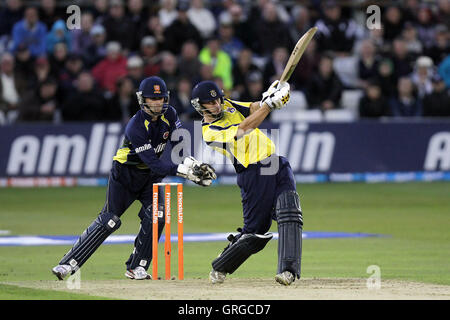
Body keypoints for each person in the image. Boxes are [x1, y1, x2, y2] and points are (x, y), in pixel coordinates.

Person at [52, 76, 216, 281]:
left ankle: (136, 266)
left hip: (150, 178)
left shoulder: (170, 114)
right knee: (110, 221)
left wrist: (192, 163)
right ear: (143, 100)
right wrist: (185, 172)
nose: (157, 103)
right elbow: (154, 163)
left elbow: (179, 145)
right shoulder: (136, 126)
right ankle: (67, 264)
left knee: (158, 216)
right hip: (125, 175)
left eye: (160, 98)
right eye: (152, 99)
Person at [190, 79, 303, 286]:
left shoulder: (228, 105)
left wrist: (269, 96)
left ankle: (288, 270)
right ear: (200, 106)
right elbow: (245, 127)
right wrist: (270, 105)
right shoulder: (210, 132)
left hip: (275, 162)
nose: (217, 105)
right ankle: (221, 264)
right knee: (255, 233)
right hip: (253, 172)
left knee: (291, 214)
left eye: (218, 100)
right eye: (211, 103)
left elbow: (252, 108)